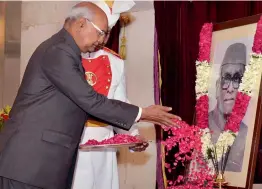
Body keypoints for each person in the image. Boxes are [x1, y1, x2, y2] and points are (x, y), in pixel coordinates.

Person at [0, 2, 179, 189]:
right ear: (81, 23)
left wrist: (131, 132)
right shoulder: (59, 51)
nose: (102, 40)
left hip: (41, 166)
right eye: (101, 32)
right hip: (29, 165)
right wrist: (143, 113)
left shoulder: (66, 50)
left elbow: (87, 106)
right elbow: (90, 101)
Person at [70, 1, 147, 189]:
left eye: (107, 33)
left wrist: (132, 137)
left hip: (104, 146)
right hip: (71, 144)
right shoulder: (65, 55)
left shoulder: (115, 62)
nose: (102, 40)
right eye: (100, 32)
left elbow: (119, 104)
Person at [209, 43, 248, 172]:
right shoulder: (202, 125)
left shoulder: (247, 135)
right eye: (226, 78)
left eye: (237, 79)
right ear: (217, 86)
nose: (230, 88)